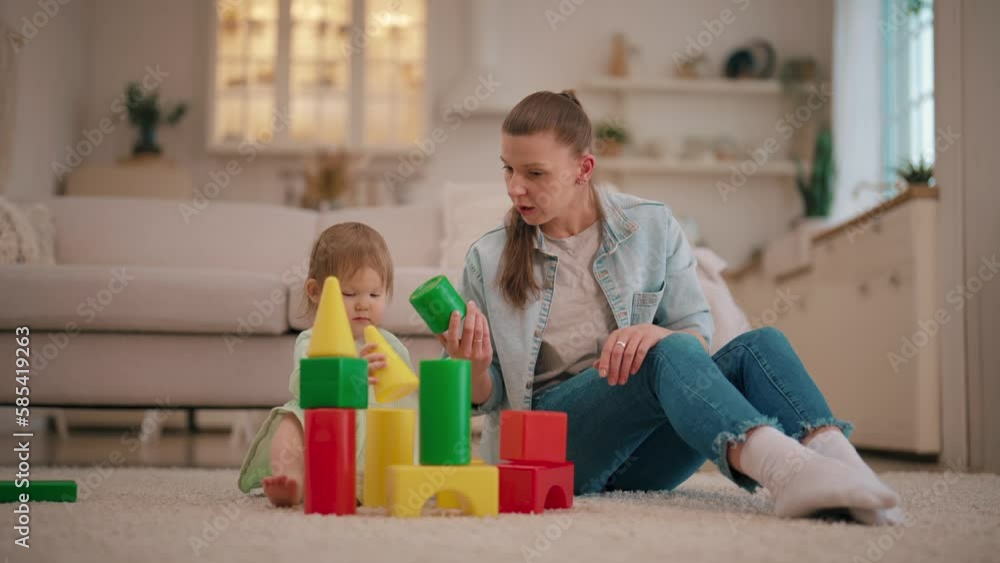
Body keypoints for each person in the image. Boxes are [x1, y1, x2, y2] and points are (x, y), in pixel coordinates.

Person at [439, 90, 901, 525]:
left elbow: (695, 333)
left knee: (760, 345)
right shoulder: (488, 257)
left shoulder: (652, 225)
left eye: (534, 173)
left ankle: (848, 471)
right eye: (508, 170)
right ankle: (786, 473)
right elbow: (484, 395)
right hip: (548, 453)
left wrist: (660, 335)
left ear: (584, 168)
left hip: (646, 457)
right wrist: (473, 369)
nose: (516, 188)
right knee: (663, 352)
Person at [238, 222, 415, 507]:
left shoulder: (391, 345)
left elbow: (408, 400)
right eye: (348, 293)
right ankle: (292, 478)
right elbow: (304, 386)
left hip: (374, 447)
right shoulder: (312, 340)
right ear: (315, 291)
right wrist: (353, 371)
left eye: (375, 294)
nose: (363, 304)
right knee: (289, 420)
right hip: (326, 437)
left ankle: (371, 482)